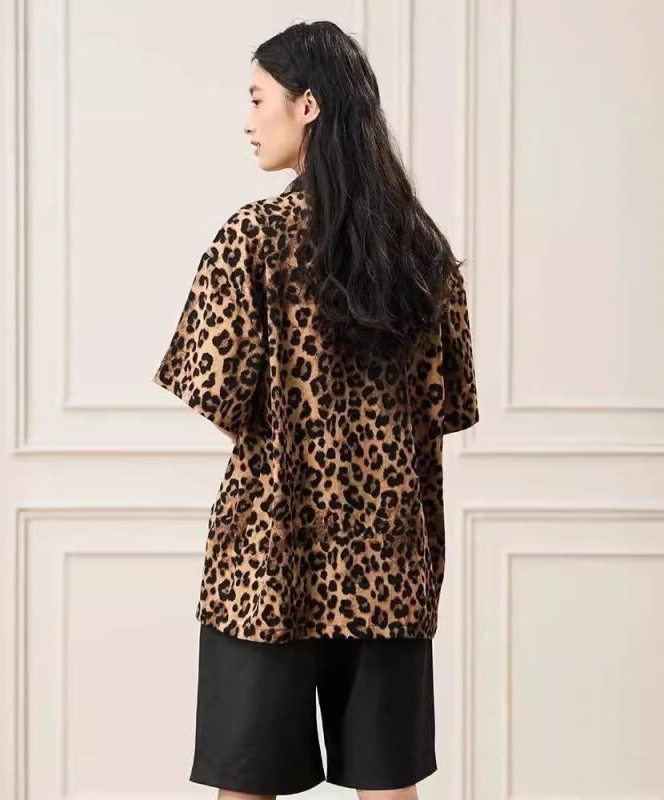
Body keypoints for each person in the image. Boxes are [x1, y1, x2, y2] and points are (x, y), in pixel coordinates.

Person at [152, 19, 479, 800]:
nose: (247, 118)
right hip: (388, 562)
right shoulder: (421, 250)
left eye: (257, 97)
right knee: (389, 788)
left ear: (308, 105)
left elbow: (216, 392)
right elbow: (448, 402)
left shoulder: (253, 240)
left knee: (246, 785)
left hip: (271, 560)